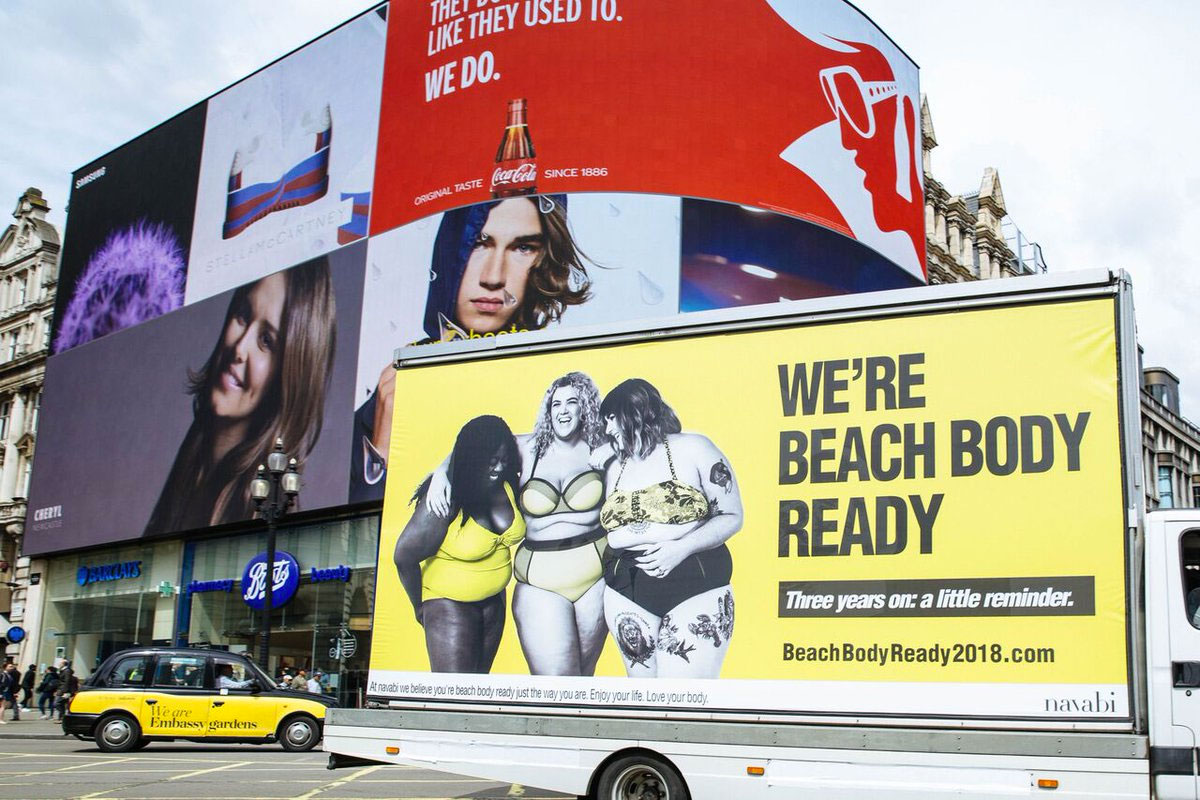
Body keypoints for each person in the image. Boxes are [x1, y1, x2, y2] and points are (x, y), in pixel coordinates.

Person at [350, 195, 592, 503]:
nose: (492, 277)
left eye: (523, 248)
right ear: (452, 248)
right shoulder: (399, 384)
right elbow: (345, 538)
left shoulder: (560, 387)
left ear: (543, 262)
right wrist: (382, 453)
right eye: (479, 243)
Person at [426, 372, 609, 676]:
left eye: (571, 402)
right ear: (547, 411)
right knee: (557, 686)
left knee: (584, 679)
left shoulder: (601, 448)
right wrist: (440, 473)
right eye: (556, 404)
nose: (563, 411)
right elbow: (475, 445)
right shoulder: (527, 448)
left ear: (585, 407)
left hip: (596, 579)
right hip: (540, 582)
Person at [144, 258, 337, 535]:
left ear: (292, 373)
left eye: (266, 341)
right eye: (243, 315)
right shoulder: (193, 460)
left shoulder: (260, 503)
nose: (239, 348)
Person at [598, 379, 743, 678]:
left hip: (694, 581)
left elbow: (731, 515)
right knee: (642, 696)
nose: (608, 430)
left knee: (685, 693)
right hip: (626, 587)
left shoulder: (694, 447)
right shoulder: (615, 465)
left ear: (633, 413)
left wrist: (680, 548)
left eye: (612, 420)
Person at [394, 415, 525, 673]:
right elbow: (403, 556)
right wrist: (419, 607)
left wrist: (443, 466)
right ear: (474, 457)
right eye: (491, 461)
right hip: (447, 603)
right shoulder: (445, 497)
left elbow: (535, 438)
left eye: (503, 460)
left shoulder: (507, 482)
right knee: (454, 695)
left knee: (477, 690)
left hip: (493, 602)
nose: (498, 468)